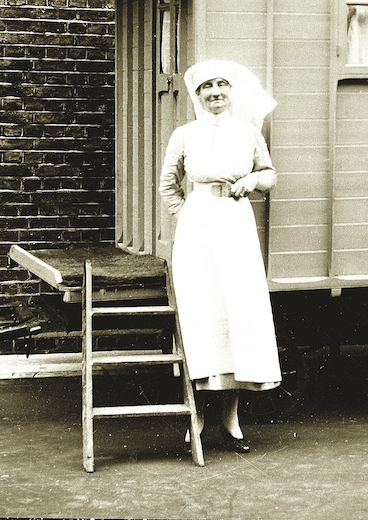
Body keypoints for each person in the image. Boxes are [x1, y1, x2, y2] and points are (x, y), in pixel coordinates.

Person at [158, 59, 280, 454]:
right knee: (201, 316)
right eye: (207, 87)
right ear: (197, 94)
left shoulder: (247, 133)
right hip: (198, 233)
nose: (215, 93)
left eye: (221, 85)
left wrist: (252, 180)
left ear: (231, 91)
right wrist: (189, 216)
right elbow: (168, 184)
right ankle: (195, 419)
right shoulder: (185, 134)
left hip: (236, 228)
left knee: (237, 315)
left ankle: (231, 420)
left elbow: (269, 174)